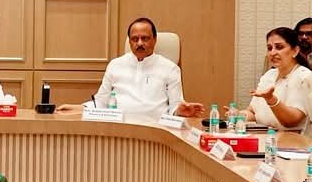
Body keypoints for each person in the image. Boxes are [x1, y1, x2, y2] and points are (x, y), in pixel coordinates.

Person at [57, 18, 204, 120]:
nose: (139, 43)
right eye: (134, 39)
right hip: (119, 130)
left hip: (156, 134)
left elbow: (175, 107)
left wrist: (180, 111)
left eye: (145, 38)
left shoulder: (170, 69)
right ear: (129, 41)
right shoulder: (115, 65)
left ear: (154, 40)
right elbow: (101, 103)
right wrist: (76, 108)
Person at [244, 27, 312, 144]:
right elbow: (252, 112)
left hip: (299, 146)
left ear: (295, 51)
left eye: (279, 47)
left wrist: (271, 99)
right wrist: (238, 116)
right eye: (269, 48)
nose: (272, 52)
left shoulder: (303, 77)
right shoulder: (269, 75)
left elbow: (291, 121)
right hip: (269, 141)